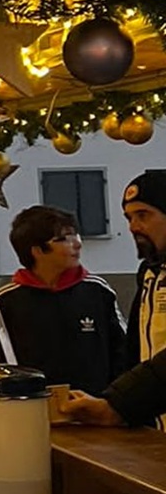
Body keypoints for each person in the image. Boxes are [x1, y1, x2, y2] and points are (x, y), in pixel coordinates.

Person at [0, 205, 127, 395]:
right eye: (64, 238)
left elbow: (124, 352)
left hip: (96, 405)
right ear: (37, 251)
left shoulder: (98, 291)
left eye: (76, 235)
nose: (77, 244)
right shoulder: (4, 302)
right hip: (33, 407)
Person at [62, 170, 166, 430]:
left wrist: (119, 405)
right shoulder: (149, 274)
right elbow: (136, 351)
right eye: (129, 217)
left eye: (143, 215)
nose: (133, 227)